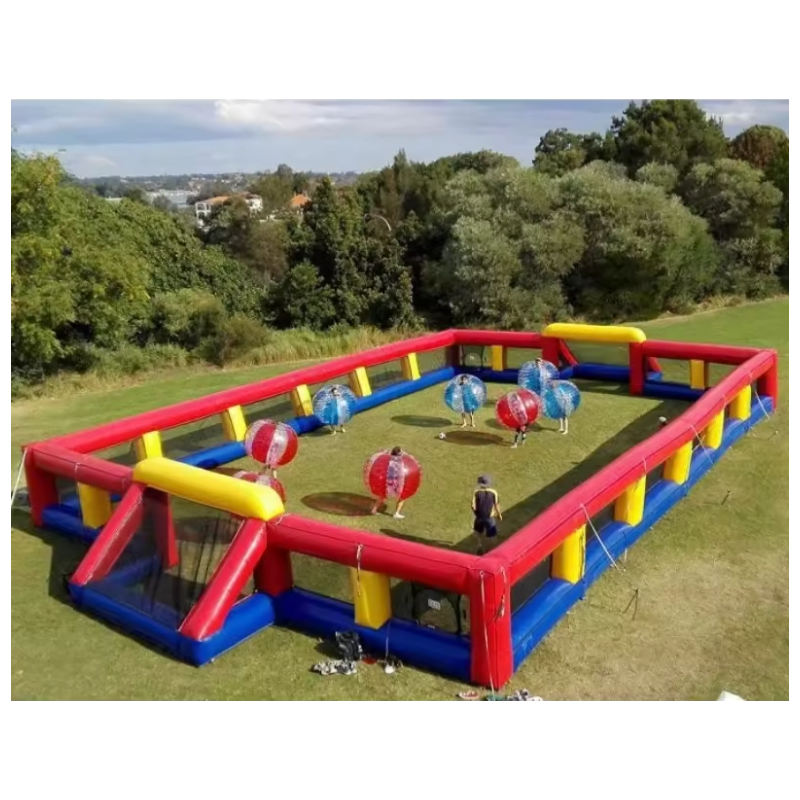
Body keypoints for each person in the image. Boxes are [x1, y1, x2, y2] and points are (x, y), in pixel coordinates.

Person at [370, 446, 407, 520]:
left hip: (387, 481)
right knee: (403, 497)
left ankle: (374, 510)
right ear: (399, 454)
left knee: (382, 495)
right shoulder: (400, 461)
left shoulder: (388, 459)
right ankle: (396, 513)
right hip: (397, 481)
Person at [472, 475, 502, 554]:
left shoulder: (476, 492)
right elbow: (496, 505)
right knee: (492, 535)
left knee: (478, 532)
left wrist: (477, 514)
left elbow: (473, 506)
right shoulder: (493, 492)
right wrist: (499, 514)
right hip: (489, 517)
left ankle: (480, 546)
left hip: (479, 517)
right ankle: (490, 551)